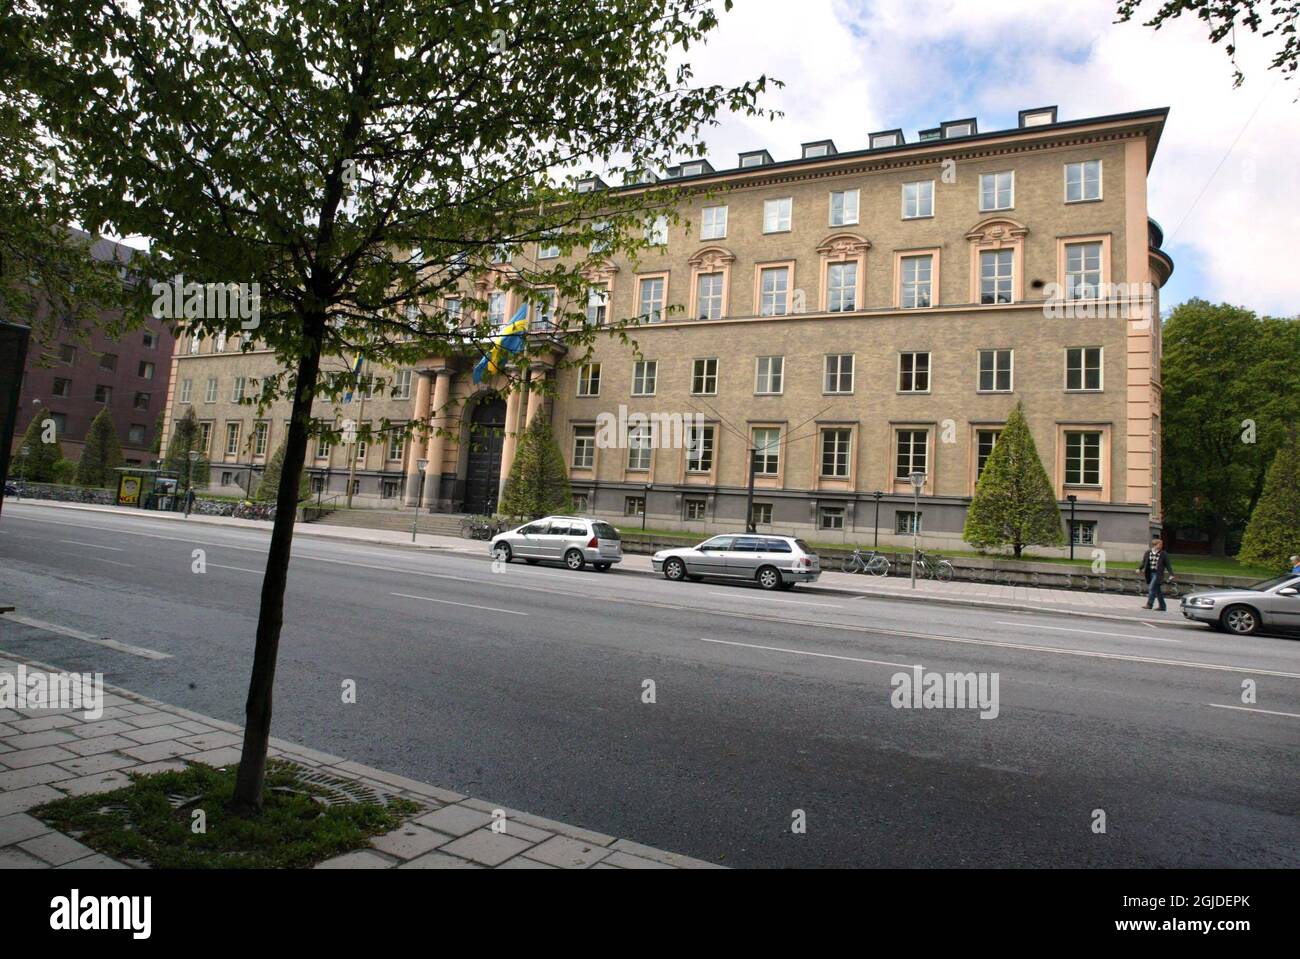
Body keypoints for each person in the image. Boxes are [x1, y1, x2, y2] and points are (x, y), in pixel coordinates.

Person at [1137, 538, 1174, 611]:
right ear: (1155, 545)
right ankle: (1162, 606)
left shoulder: (1163, 554)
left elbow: (1168, 565)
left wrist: (1171, 574)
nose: (1161, 546)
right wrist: (1139, 568)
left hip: (1157, 574)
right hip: (1150, 573)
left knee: (1151, 588)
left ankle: (1149, 604)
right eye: (1160, 544)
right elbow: (1144, 562)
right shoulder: (1148, 552)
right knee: (1157, 591)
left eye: (1161, 544)